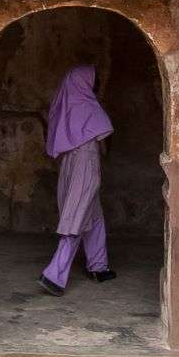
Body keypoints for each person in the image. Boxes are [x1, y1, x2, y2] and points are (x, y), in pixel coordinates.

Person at [40, 64, 116, 295]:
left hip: (69, 163)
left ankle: (99, 266)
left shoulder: (63, 105)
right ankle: (54, 275)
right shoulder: (90, 108)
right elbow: (104, 146)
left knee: (93, 215)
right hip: (86, 162)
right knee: (77, 215)